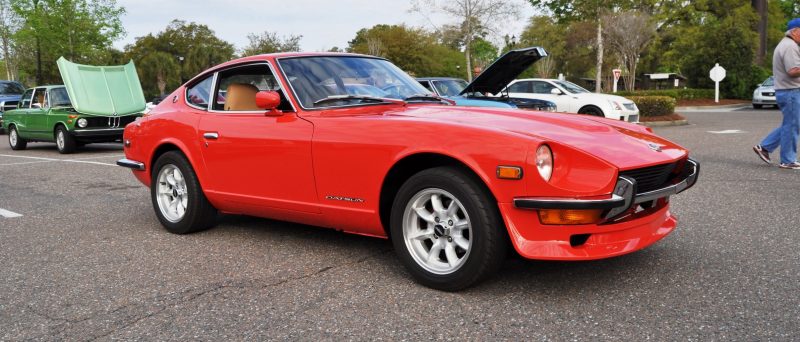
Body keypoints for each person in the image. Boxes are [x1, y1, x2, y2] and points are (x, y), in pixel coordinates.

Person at [754, 18, 800, 169]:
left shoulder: (786, 44)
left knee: (791, 125)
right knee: (792, 125)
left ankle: (765, 147)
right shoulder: (790, 46)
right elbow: (793, 71)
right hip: (790, 91)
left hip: (787, 91)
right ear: (795, 31)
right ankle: (787, 160)